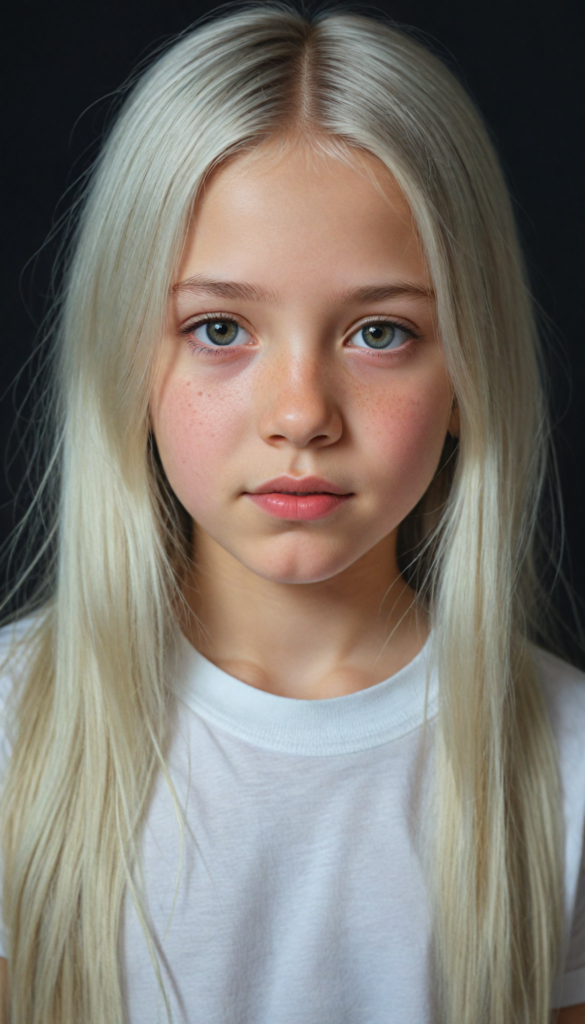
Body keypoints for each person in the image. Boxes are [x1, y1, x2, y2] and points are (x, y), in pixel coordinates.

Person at [0, 4, 583, 1023]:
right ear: (126, 355)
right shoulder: (16, 742)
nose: (302, 413)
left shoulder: (566, 768)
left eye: (380, 331)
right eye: (220, 327)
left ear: (470, 369)